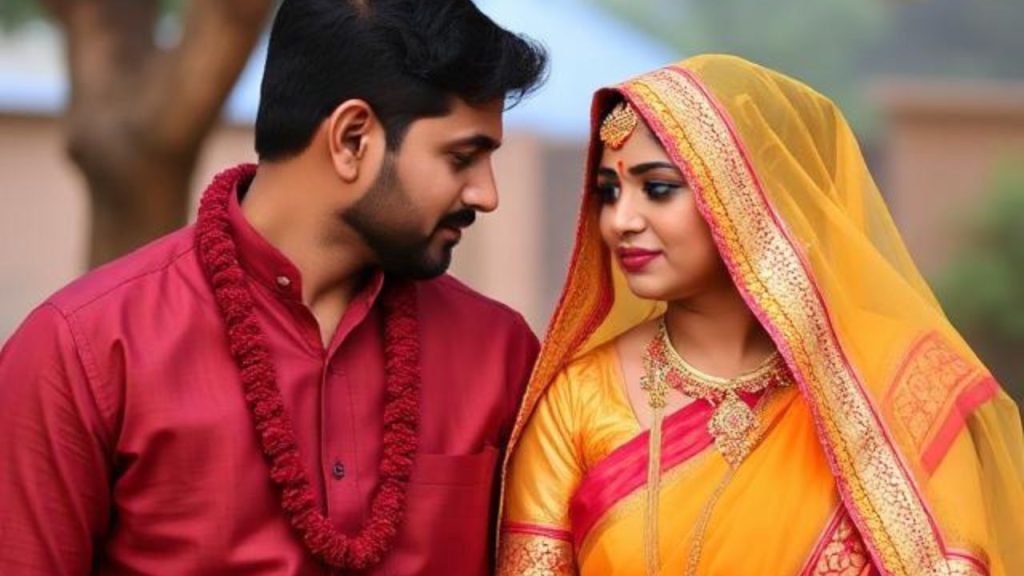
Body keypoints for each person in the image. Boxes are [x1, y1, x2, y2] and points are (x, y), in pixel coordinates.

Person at [0, 1, 547, 573]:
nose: (487, 195)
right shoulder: (84, 351)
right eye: (462, 157)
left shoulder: (499, 353)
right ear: (352, 139)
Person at [498, 54, 1024, 575]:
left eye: (657, 188)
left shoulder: (897, 382)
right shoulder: (578, 400)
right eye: (608, 193)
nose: (620, 220)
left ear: (754, 194)